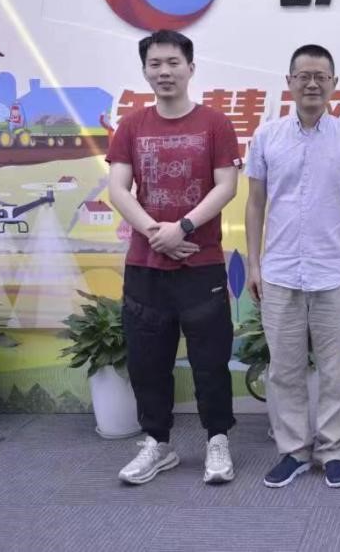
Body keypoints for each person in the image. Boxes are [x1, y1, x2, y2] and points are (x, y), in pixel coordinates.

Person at [106, 29, 240, 486]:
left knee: (210, 359)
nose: (164, 71)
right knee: (147, 360)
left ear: (190, 67)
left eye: (173, 62)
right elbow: (118, 188)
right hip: (146, 266)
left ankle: (217, 440)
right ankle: (157, 443)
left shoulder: (215, 124)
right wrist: (154, 233)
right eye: (155, 64)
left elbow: (227, 186)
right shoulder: (131, 126)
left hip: (201, 263)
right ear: (145, 71)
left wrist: (181, 228)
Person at [245, 44, 340, 490]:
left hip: (333, 270)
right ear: (289, 83)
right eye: (304, 76)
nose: (312, 84)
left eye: (321, 76)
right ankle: (294, 451)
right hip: (279, 271)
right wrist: (254, 264)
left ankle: (333, 451)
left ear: (334, 84)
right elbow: (255, 203)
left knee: (335, 370)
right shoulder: (267, 136)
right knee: (284, 369)